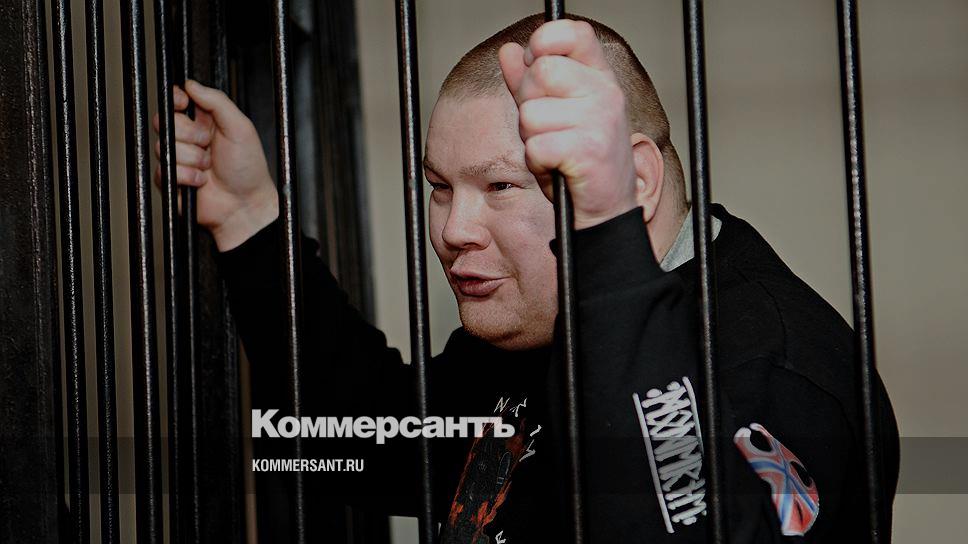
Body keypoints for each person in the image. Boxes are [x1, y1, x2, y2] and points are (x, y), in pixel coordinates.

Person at [153, 12, 899, 543]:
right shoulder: (534, 326)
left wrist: (603, 236)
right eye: (440, 187)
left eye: (502, 186)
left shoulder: (770, 366)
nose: (454, 229)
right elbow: (370, 441)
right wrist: (250, 221)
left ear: (633, 183)